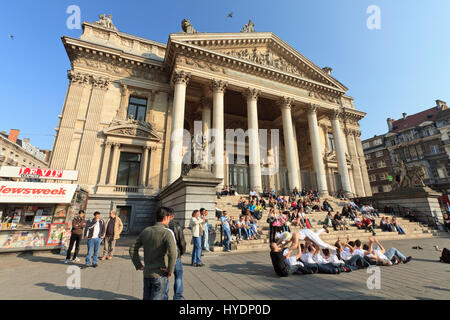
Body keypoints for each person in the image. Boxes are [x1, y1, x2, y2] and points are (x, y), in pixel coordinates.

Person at [129, 207, 178, 300]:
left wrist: (138, 265)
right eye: (169, 218)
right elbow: (173, 253)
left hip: (147, 273)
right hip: (160, 274)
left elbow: (132, 249)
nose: (169, 221)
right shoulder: (167, 233)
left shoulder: (146, 231)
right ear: (165, 218)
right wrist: (170, 270)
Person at [164, 208, 186, 300]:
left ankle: (164, 296)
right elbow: (182, 242)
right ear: (172, 216)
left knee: (165, 277)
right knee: (178, 276)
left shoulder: (162, 226)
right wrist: (181, 252)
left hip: (164, 256)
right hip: (176, 255)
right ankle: (178, 297)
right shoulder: (177, 226)